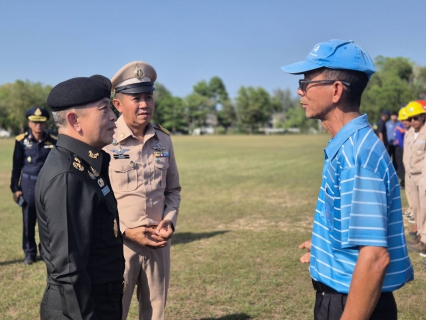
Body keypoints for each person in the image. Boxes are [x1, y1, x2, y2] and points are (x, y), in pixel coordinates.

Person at [282, 39, 414, 319]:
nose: (299, 90)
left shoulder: (357, 156)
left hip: (352, 301)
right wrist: (324, 243)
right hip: (346, 295)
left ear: (336, 90)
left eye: (306, 82)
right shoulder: (351, 146)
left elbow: (375, 258)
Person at [35, 75, 125, 319]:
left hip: (99, 302)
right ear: (75, 121)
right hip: (81, 310)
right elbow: (68, 272)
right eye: (104, 109)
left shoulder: (87, 164)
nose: (113, 116)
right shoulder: (67, 176)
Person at [104, 61, 181, 320]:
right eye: (136, 98)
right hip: (119, 245)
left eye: (148, 97)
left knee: (154, 311)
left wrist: (169, 221)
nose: (144, 104)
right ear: (117, 104)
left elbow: (173, 190)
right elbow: (97, 197)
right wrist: (126, 230)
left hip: (158, 243)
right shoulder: (106, 141)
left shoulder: (164, 139)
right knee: (116, 310)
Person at [10, 107, 57, 265]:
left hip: (47, 186)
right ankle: (29, 252)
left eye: (41, 123)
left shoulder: (53, 141)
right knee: (28, 221)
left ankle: (45, 251)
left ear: (45, 123)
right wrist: (15, 189)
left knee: (47, 222)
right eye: (35, 122)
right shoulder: (21, 141)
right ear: (29, 123)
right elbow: (16, 166)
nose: (38, 126)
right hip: (28, 184)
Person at [406, 100, 426, 256]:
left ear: (423, 116)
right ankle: (420, 234)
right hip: (412, 175)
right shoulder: (410, 132)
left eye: (416, 118)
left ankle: (424, 242)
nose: (413, 121)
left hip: (423, 176)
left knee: (424, 209)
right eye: (410, 118)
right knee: (417, 209)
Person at [394, 108, 408, 188]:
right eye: (402, 120)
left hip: (406, 148)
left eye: (405, 119)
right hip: (400, 148)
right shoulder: (399, 127)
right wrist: (405, 148)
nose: (404, 121)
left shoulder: (408, 127)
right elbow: (399, 140)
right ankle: (403, 182)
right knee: (401, 165)